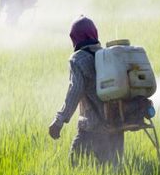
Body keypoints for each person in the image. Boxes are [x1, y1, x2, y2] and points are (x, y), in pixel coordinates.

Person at [48, 16, 125, 167]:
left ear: (75, 38)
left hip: (92, 127)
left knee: (74, 167)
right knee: (114, 171)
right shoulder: (106, 55)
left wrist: (59, 120)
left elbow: (74, 92)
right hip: (117, 124)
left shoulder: (77, 59)